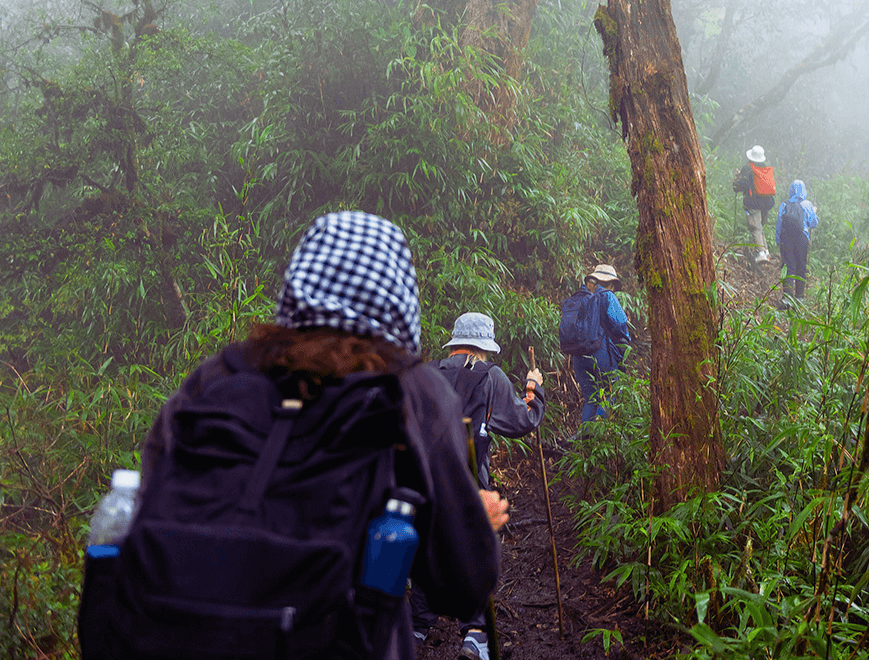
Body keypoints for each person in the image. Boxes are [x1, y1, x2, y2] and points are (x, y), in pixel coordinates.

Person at [137, 211, 502, 660]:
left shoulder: (215, 379)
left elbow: (148, 502)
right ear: (399, 296)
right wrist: (475, 522)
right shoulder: (412, 393)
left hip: (182, 636)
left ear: (297, 283)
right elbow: (463, 583)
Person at [410, 311, 546, 660]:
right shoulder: (491, 377)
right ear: (485, 346)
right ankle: (475, 634)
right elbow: (522, 420)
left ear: (455, 343)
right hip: (470, 482)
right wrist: (534, 388)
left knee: (427, 542)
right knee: (472, 548)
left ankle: (416, 628)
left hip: (424, 480)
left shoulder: (428, 374)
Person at [571, 264, 631, 423]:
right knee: (611, 393)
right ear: (611, 284)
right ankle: (596, 433)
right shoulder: (608, 296)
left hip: (577, 355)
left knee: (591, 399)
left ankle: (584, 436)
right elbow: (620, 322)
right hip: (600, 353)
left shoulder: (581, 296)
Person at [731, 144, 776, 263]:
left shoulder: (747, 168)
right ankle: (765, 251)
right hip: (767, 202)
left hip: (753, 204)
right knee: (759, 227)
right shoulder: (764, 168)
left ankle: (761, 253)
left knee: (755, 228)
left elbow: (740, 186)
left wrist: (737, 178)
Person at [775, 180, 819, 298]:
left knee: (788, 267)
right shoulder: (807, 204)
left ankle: (787, 299)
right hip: (802, 240)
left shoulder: (784, 205)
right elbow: (813, 224)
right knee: (801, 268)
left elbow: (779, 224)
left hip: (786, 240)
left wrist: (778, 240)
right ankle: (799, 297)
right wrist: (815, 213)